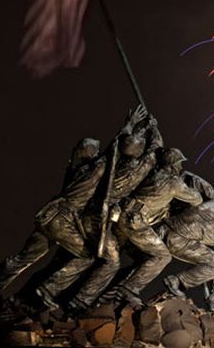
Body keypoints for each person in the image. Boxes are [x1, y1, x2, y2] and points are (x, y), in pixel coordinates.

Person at [0, 136, 106, 311]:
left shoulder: (76, 170)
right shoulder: (94, 169)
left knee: (24, 257)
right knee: (87, 256)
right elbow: (108, 158)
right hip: (61, 221)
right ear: (87, 150)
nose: (97, 151)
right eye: (94, 149)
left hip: (48, 216)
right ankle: (48, 290)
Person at [67, 112, 163, 311]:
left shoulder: (112, 163)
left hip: (90, 214)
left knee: (91, 256)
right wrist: (153, 127)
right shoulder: (140, 168)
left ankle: (71, 294)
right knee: (110, 261)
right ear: (138, 151)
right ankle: (79, 301)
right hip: (103, 218)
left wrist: (134, 125)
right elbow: (156, 148)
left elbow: (118, 143)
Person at [102, 148, 204, 306]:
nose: (180, 168)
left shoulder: (152, 173)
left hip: (122, 214)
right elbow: (196, 199)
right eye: (178, 164)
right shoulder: (173, 182)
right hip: (135, 220)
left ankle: (108, 291)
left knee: (141, 258)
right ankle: (128, 290)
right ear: (172, 165)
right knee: (163, 256)